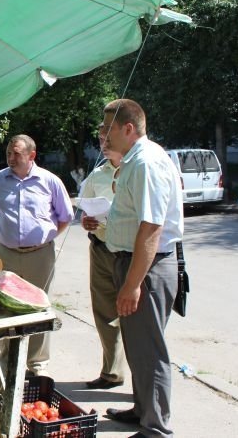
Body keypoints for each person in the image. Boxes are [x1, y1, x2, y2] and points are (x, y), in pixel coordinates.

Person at [102, 99, 183, 438]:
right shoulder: (135, 160)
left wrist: (132, 284)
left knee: (149, 351)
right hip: (136, 265)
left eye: (107, 127)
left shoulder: (146, 162)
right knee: (138, 347)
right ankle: (142, 410)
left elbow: (151, 228)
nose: (102, 134)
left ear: (128, 128)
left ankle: (156, 429)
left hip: (146, 269)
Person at [0, 134, 74, 377]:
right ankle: (6, 363)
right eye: (8, 153)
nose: (11, 158)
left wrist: (43, 238)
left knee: (39, 307)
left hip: (40, 256)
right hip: (5, 254)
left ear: (32, 155)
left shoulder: (50, 181)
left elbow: (65, 217)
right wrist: (11, 234)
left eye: (17, 153)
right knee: (5, 308)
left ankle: (37, 364)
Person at [78, 124, 125, 389]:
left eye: (108, 139)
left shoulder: (134, 170)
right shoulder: (96, 175)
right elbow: (86, 211)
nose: (103, 144)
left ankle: (144, 386)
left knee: (134, 317)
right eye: (100, 139)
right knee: (105, 313)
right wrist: (87, 221)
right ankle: (111, 373)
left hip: (129, 253)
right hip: (101, 248)